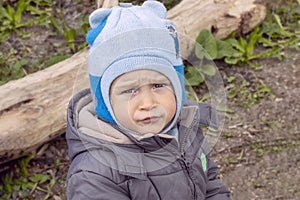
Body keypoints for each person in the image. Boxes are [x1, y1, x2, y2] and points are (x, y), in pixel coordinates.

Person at [66, 1, 231, 199]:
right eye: (129, 91)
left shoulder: (186, 129)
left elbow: (209, 182)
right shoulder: (95, 174)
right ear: (105, 102)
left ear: (177, 89)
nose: (147, 103)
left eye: (158, 86)